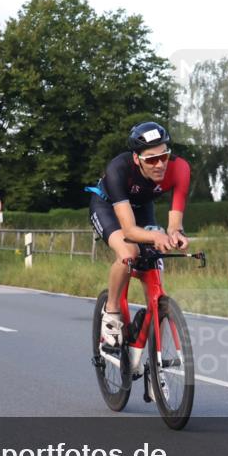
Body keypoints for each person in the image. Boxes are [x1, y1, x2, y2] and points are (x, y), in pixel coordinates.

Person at [86, 122, 190, 362]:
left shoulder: (181, 169)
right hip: (108, 207)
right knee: (129, 253)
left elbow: (175, 224)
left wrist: (176, 235)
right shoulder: (118, 169)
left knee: (155, 262)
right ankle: (111, 314)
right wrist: (156, 235)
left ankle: (156, 353)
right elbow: (130, 231)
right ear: (136, 158)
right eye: (151, 159)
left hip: (143, 209)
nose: (160, 164)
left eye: (164, 156)